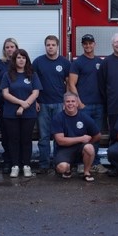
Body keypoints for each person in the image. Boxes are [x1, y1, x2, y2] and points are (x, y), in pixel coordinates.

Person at [68, 33, 107, 174]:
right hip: (85, 106)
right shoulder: (77, 63)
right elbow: (71, 84)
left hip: (99, 105)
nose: (88, 46)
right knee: (82, 135)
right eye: (85, 43)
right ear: (82, 45)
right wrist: (79, 102)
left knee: (96, 136)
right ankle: (80, 163)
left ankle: (95, 163)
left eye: (90, 43)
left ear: (94, 44)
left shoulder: (100, 62)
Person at [1, 49, 42, 178]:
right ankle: (15, 165)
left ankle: (26, 165)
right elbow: (5, 93)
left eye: (23, 58)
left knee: (26, 139)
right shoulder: (7, 75)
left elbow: (35, 93)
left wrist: (25, 106)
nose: (21, 60)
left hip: (29, 114)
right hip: (10, 114)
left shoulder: (32, 75)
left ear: (27, 60)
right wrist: (21, 103)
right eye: (18, 57)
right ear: (14, 60)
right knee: (13, 140)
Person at [33, 35, 71, 173]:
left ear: (57, 46)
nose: (50, 47)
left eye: (53, 45)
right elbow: (33, 83)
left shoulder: (65, 63)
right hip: (42, 104)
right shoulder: (38, 62)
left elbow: (69, 83)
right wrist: (35, 100)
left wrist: (66, 102)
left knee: (58, 137)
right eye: (48, 45)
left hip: (59, 104)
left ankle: (58, 164)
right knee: (43, 137)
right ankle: (43, 165)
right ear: (45, 46)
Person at [52, 92, 101, 181]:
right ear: (64, 104)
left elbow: (97, 135)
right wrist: (82, 139)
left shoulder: (85, 117)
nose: (70, 104)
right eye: (68, 101)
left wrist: (89, 143)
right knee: (61, 168)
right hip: (64, 149)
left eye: (73, 101)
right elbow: (60, 140)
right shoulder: (58, 118)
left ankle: (86, 172)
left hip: (81, 148)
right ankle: (68, 169)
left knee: (89, 148)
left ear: (77, 103)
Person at [0, 37, 19, 174]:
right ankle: (8, 161)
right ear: (4, 49)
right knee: (6, 135)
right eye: (7, 47)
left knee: (19, 135)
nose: (9, 49)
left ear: (16, 48)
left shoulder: (21, 63)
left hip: (19, 106)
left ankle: (19, 162)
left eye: (12, 47)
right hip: (3, 105)